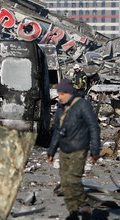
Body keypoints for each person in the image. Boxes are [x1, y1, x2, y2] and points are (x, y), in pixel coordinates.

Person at [47, 78, 100, 220]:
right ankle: (73, 212)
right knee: (65, 182)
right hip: (64, 149)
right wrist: (51, 151)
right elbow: (57, 130)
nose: (59, 96)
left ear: (69, 93)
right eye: (58, 93)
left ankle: (84, 206)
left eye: (62, 93)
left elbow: (93, 128)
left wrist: (95, 151)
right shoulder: (60, 106)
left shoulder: (83, 105)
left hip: (79, 148)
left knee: (73, 180)